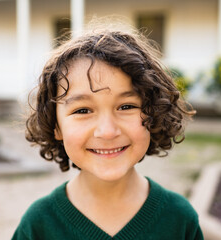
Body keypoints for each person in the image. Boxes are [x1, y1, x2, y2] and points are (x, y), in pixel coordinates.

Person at [12, 25, 204, 240]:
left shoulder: (179, 220)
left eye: (126, 106)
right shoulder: (39, 225)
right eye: (83, 110)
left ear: (154, 112)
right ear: (56, 126)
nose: (107, 132)